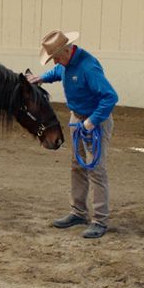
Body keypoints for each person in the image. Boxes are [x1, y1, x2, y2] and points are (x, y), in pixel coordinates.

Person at [25, 30, 119, 239]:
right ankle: (78, 212)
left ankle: (100, 220)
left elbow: (110, 97)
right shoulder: (67, 62)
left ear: (67, 50)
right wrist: (42, 78)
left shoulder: (88, 67)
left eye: (57, 57)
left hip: (94, 121)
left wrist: (91, 122)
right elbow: (59, 71)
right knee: (77, 165)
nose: (55, 62)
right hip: (78, 118)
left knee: (95, 169)